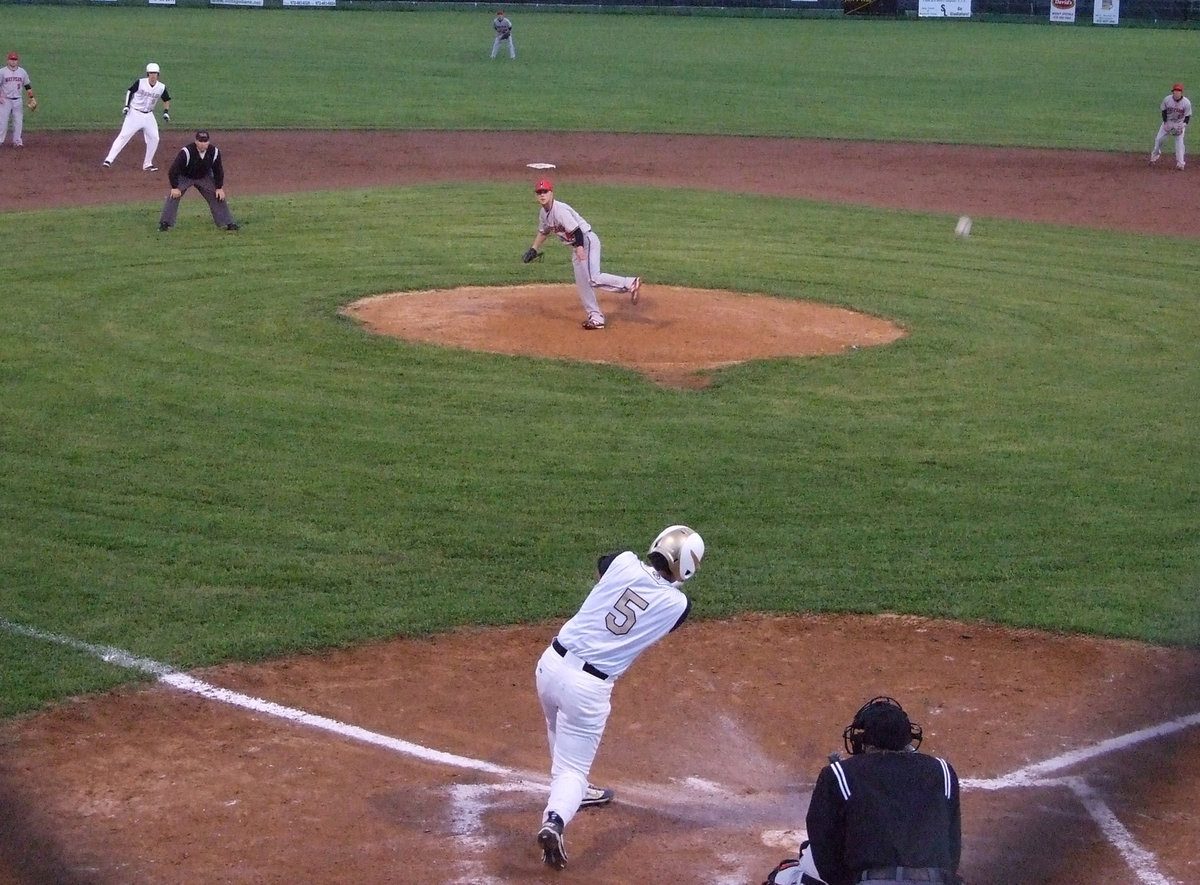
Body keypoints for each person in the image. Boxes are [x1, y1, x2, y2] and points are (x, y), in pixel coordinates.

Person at [534, 524, 705, 871]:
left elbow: (603, 563)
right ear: (684, 566)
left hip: (549, 666)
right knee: (572, 769)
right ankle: (554, 820)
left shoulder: (623, 561)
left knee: (557, 730)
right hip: (587, 689)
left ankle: (572, 795)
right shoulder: (677, 605)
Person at [796, 696, 962, 885]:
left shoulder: (840, 773)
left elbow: (824, 847)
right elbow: (953, 846)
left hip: (869, 881)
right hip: (935, 881)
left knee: (791, 877)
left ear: (865, 740)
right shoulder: (942, 771)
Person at [523, 178, 642, 330]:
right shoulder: (543, 213)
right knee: (584, 284)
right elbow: (543, 231)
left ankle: (630, 283)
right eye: (539, 192)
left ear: (551, 193)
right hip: (577, 246)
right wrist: (533, 249)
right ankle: (596, 317)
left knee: (593, 278)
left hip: (586, 241)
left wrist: (580, 248)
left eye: (545, 191)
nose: (542, 195)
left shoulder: (560, 211)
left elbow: (577, 231)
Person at [158, 130, 238, 232]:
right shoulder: (186, 152)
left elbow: (218, 170)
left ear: (208, 142)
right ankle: (165, 223)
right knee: (173, 196)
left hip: (203, 177)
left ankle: (228, 223)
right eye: (200, 141)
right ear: (196, 141)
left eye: (205, 141)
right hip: (185, 176)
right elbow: (173, 170)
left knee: (217, 195)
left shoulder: (214, 152)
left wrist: (219, 187)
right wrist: (174, 187)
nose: (203, 144)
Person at [103, 62, 171, 172]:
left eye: (155, 73)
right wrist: (126, 106)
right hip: (134, 113)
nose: (153, 75)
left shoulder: (161, 87)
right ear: (147, 74)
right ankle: (108, 160)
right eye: (151, 73)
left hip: (149, 115)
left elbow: (166, 99)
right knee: (124, 136)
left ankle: (147, 164)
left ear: (158, 74)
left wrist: (166, 112)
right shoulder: (140, 83)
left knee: (155, 138)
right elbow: (130, 91)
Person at [1150, 82, 1192, 171]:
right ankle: (1154, 156)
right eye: (1175, 91)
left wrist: (1183, 125)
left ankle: (1180, 164)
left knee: (1180, 144)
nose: (1176, 93)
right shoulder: (1167, 99)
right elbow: (1164, 111)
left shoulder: (1186, 103)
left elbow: (1187, 116)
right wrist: (1165, 123)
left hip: (1179, 124)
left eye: (1178, 91)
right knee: (1158, 140)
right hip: (1168, 122)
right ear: (1172, 92)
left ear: (1181, 92)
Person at [1, 52, 36, 148]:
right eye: (11, 59)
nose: (13, 61)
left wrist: (32, 97)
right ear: (8, 60)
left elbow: (27, 85)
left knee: (18, 121)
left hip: (18, 100)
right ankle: (0, 140)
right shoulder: (2, 72)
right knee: (3, 122)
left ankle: (17, 142)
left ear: (17, 61)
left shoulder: (22, 72)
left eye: (15, 59)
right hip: (5, 100)